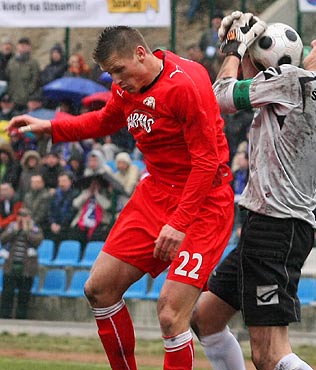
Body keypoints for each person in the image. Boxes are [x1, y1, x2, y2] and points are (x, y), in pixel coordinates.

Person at [6, 25, 234, 370]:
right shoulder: (126, 88)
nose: (116, 80)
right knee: (98, 288)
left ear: (140, 54)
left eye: (119, 70)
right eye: (111, 73)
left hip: (202, 200)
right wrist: (51, 126)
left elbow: (207, 161)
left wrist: (179, 223)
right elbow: (103, 121)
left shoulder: (187, 82)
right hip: (156, 192)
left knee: (171, 314)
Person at [190, 11, 316, 370]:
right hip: (277, 224)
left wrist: (233, 49)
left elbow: (221, 96)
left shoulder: (293, 81)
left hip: (275, 227)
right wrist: (252, 61)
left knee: (270, 353)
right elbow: (266, 102)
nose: (313, 41)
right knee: (205, 319)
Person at [0, 207, 43, 319]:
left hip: (27, 268)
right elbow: (3, 239)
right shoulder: (11, 227)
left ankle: (21, 319)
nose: (21, 218)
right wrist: (14, 230)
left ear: (29, 217)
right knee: (7, 293)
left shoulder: (34, 228)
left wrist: (26, 230)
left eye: (24, 215)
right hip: (11, 265)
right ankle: (5, 317)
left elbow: (37, 241)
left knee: (24, 295)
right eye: (19, 215)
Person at [5, 37, 40, 112]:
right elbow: (7, 78)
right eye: (21, 44)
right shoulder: (12, 62)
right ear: (17, 46)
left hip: (27, 102)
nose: (23, 46)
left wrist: (28, 95)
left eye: (26, 44)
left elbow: (35, 81)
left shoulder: (33, 63)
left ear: (29, 47)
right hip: (12, 101)